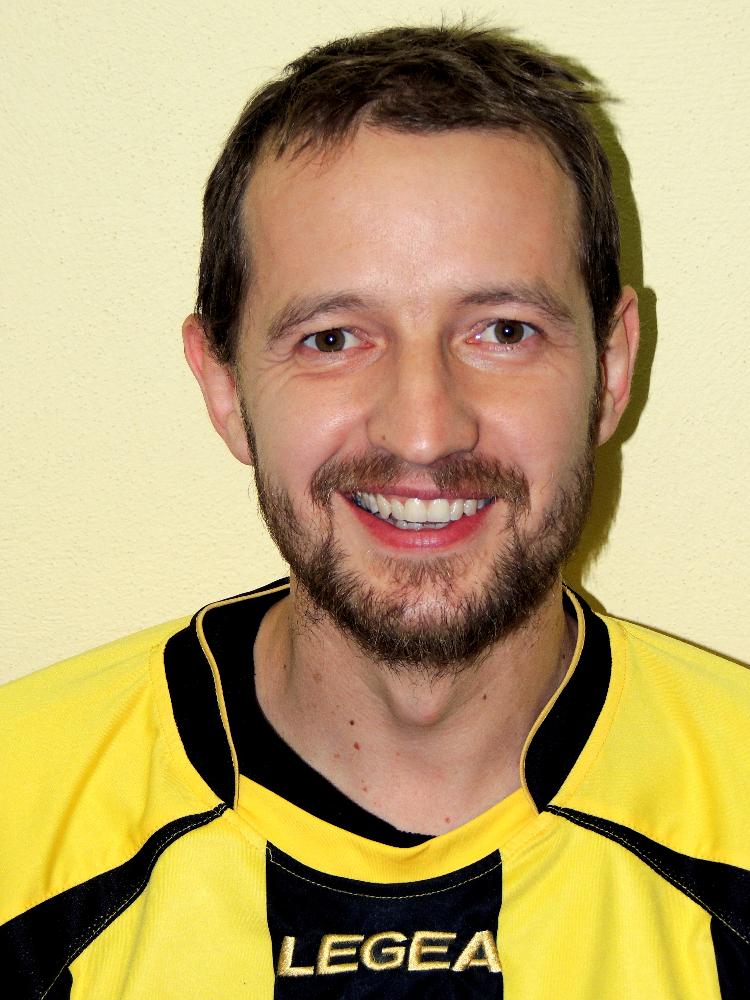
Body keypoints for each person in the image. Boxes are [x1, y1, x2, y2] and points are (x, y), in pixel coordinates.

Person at [2, 24, 748, 1000]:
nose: (425, 431)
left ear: (612, 369)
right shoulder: (19, 815)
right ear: (223, 385)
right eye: (333, 338)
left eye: (504, 330)